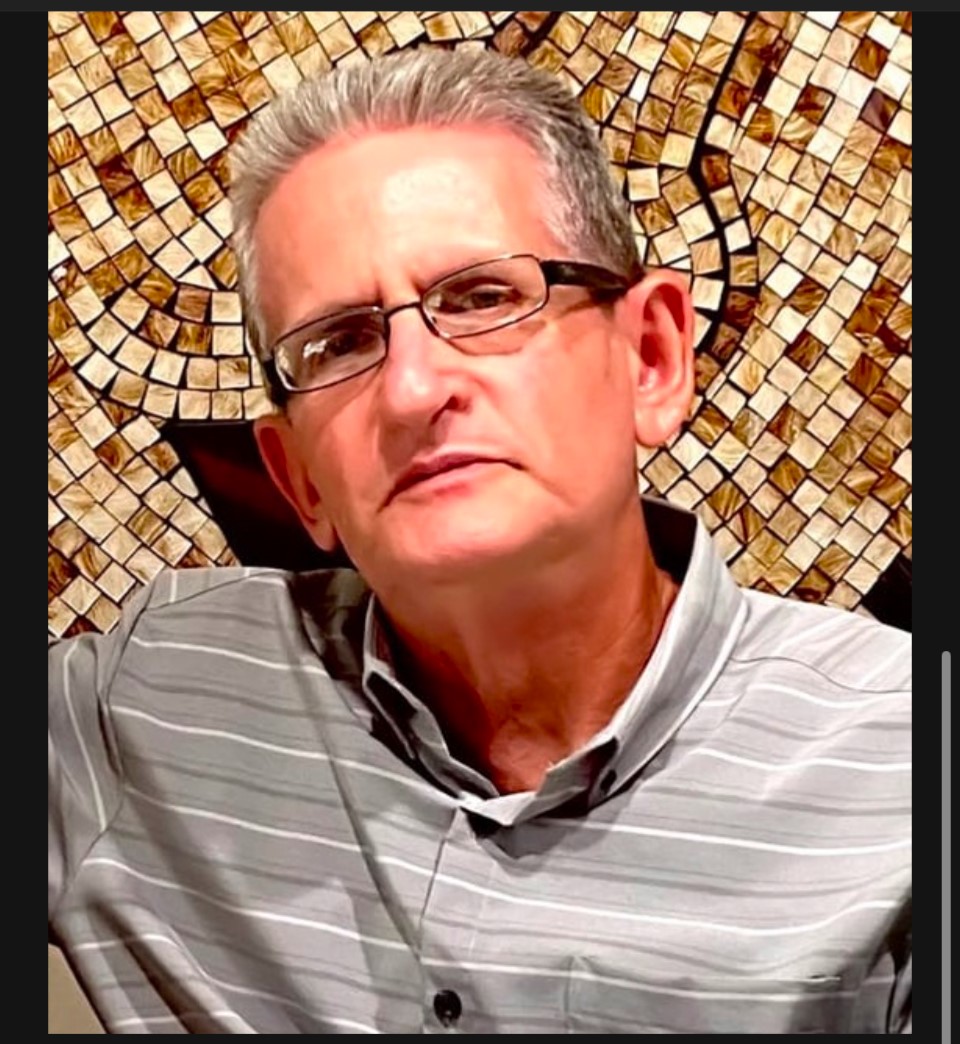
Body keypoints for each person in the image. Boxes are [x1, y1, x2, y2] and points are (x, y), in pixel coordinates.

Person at [48, 47, 911, 1034]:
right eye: (341, 341)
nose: (414, 389)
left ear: (651, 357)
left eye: (483, 298)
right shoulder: (145, 704)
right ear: (300, 481)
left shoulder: (905, 766)